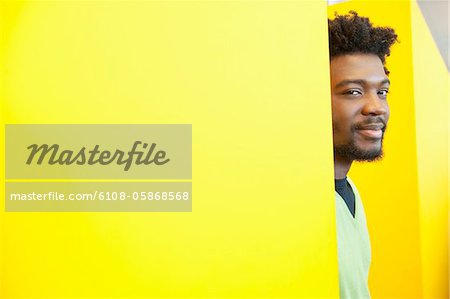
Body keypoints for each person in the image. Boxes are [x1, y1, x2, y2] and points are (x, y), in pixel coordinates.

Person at [328, 11, 398, 298]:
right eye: (354, 92)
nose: (377, 107)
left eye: (382, 92)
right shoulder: (291, 201)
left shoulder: (350, 191)